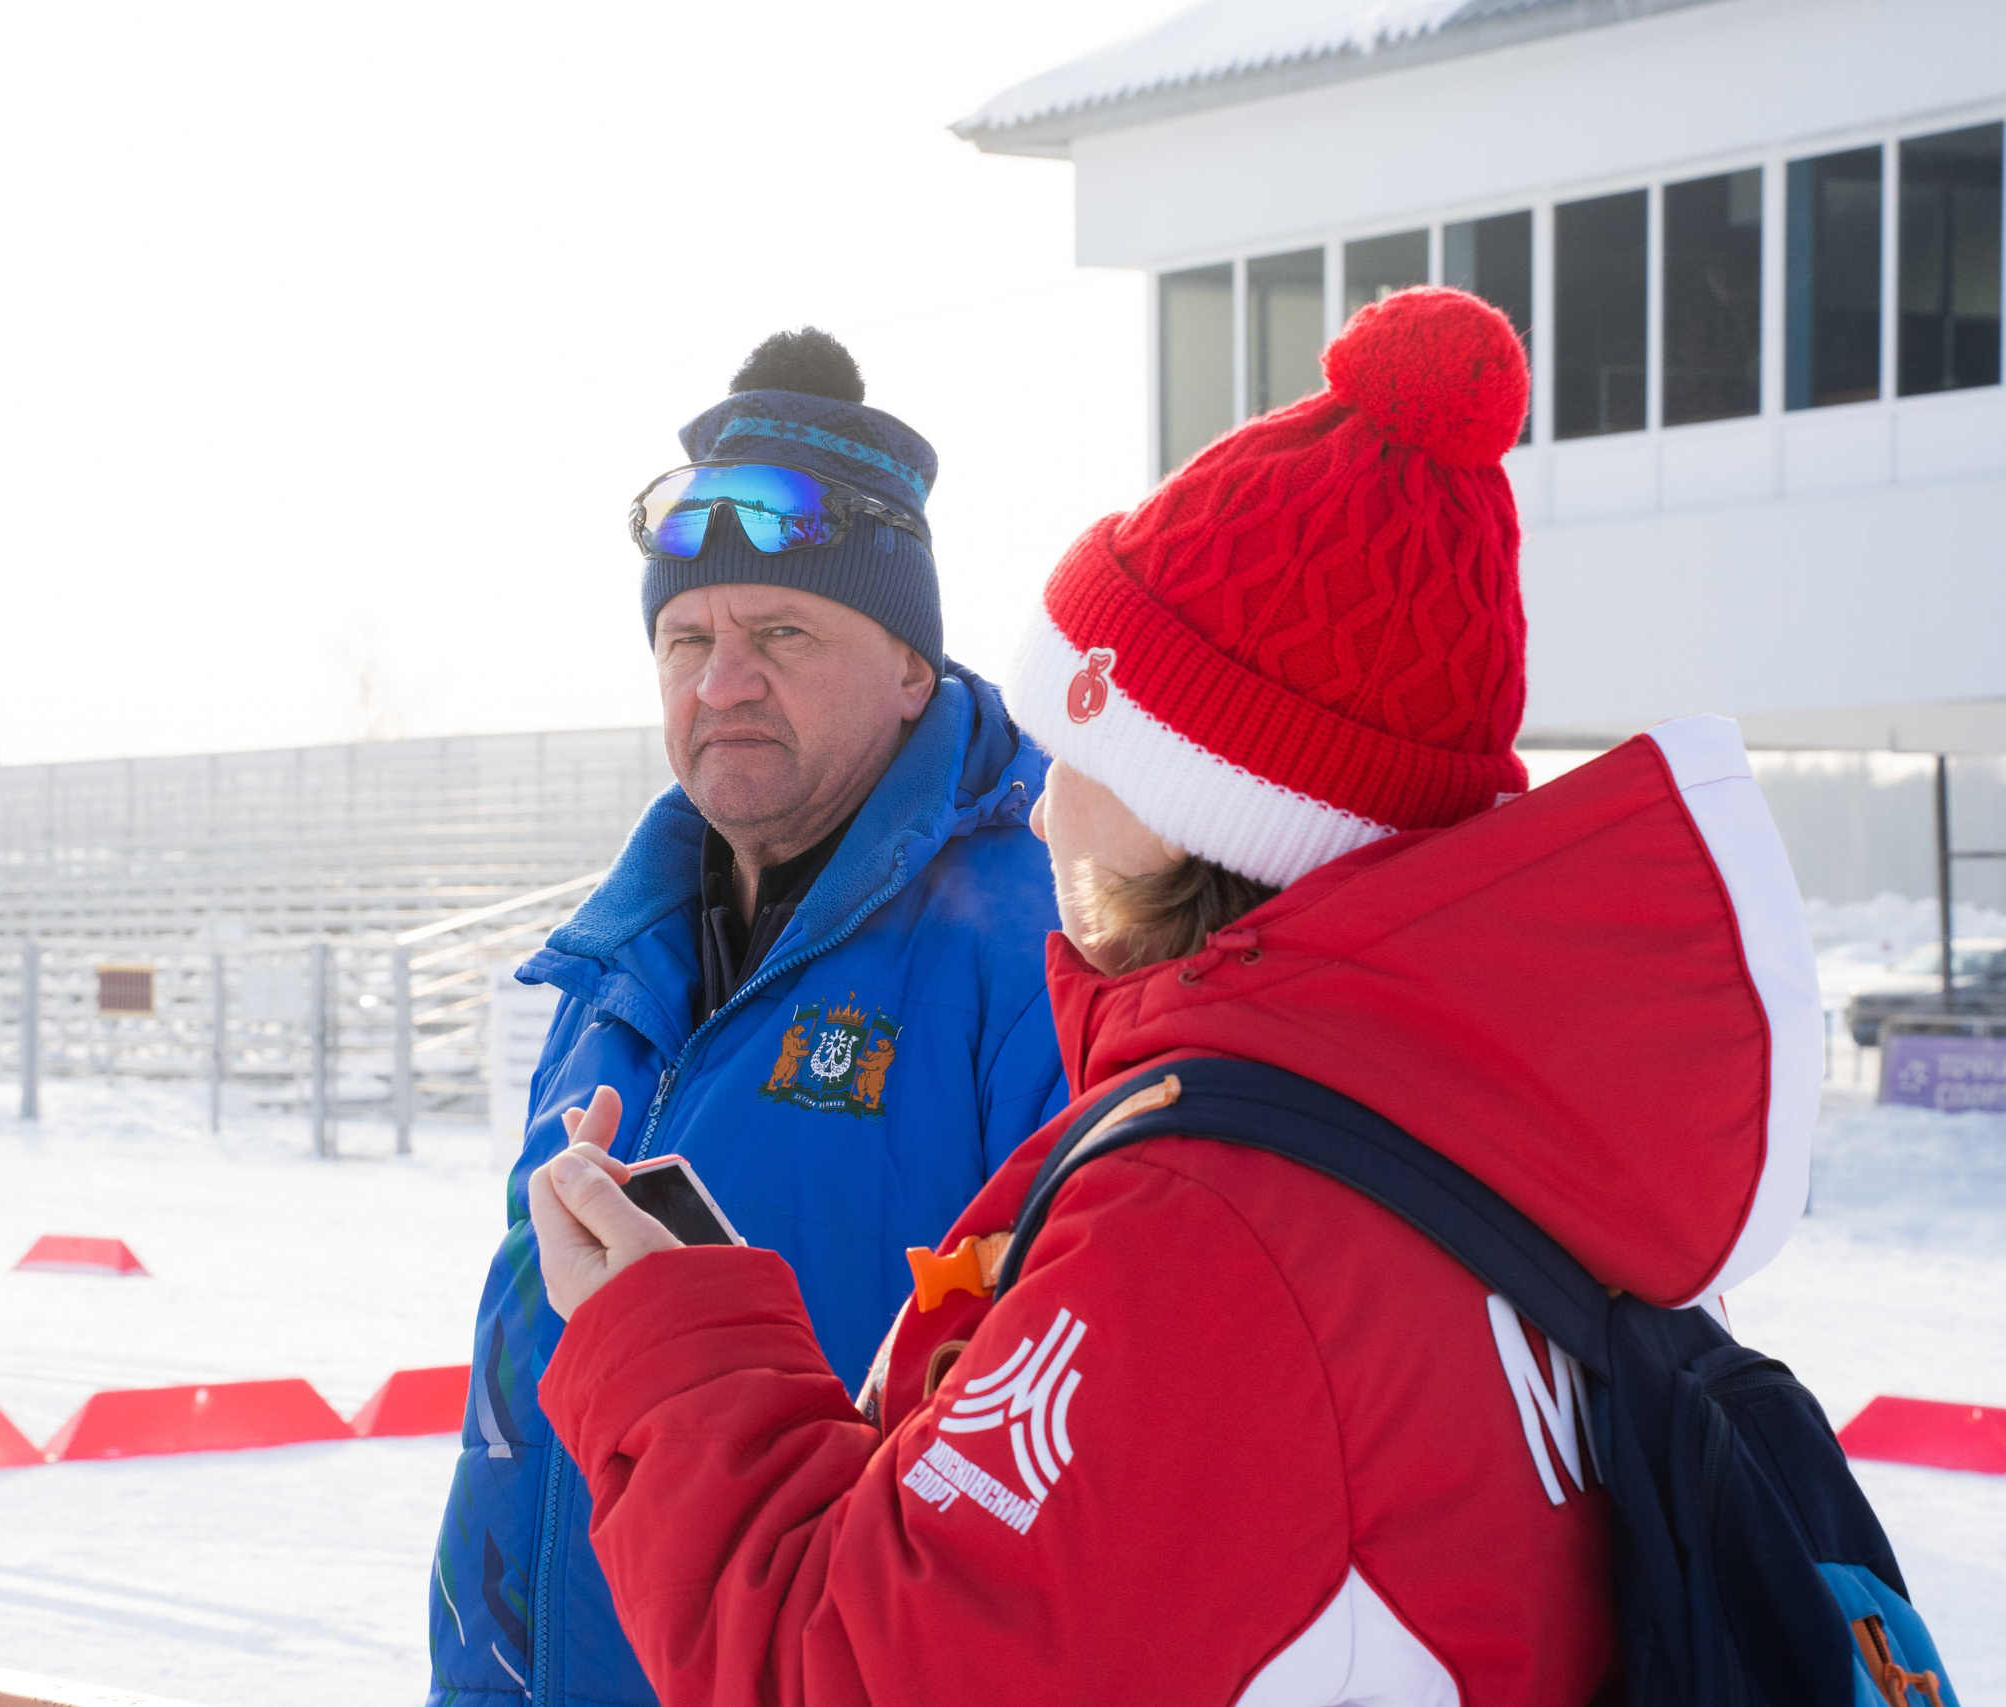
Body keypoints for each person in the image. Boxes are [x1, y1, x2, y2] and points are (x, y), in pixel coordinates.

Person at [523, 289, 1821, 1703]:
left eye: (1079, 752)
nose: (1044, 802)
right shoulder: (1410, 1128)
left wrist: (662, 1342)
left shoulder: (1216, 1217)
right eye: (686, 640)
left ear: (1195, 804)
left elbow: (862, 1673)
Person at [425, 328, 1068, 1706]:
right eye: (688, 639)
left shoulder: (1039, 946)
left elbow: (1066, 1458)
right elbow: (522, 1415)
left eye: (783, 633)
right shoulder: (615, 968)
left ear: (912, 668)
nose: (722, 682)